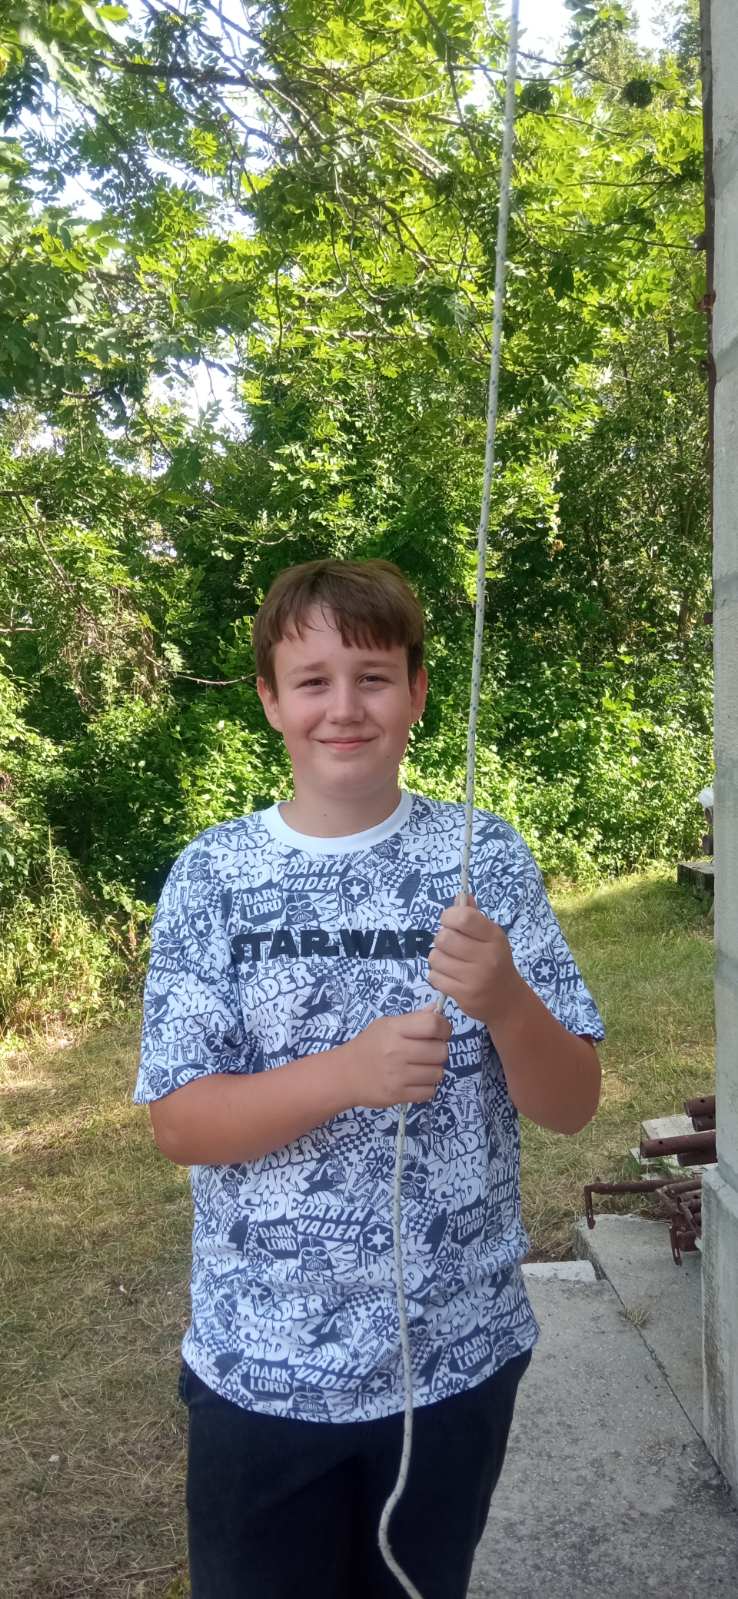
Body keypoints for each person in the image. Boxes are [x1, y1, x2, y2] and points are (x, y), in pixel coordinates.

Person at [134, 557, 604, 1599]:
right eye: (312, 680)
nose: (344, 707)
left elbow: (572, 1105)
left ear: (420, 692)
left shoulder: (486, 858)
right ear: (270, 700)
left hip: (455, 1365)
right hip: (263, 1373)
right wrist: (346, 1073)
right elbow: (180, 1122)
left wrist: (508, 1000)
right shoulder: (213, 876)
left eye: (374, 676)